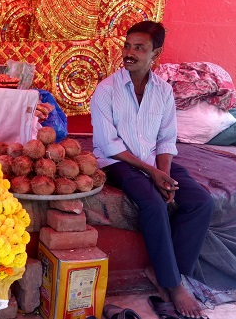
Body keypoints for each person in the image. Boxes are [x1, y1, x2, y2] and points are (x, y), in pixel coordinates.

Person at [90, 21, 214, 319]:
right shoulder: (106, 90)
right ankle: (174, 284)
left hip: (152, 160)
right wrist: (151, 173)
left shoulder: (162, 91)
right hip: (119, 162)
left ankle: (164, 272)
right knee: (152, 202)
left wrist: (165, 174)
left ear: (154, 53)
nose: (129, 53)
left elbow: (166, 139)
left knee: (200, 201)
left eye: (139, 47)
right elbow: (108, 145)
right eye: (127, 45)